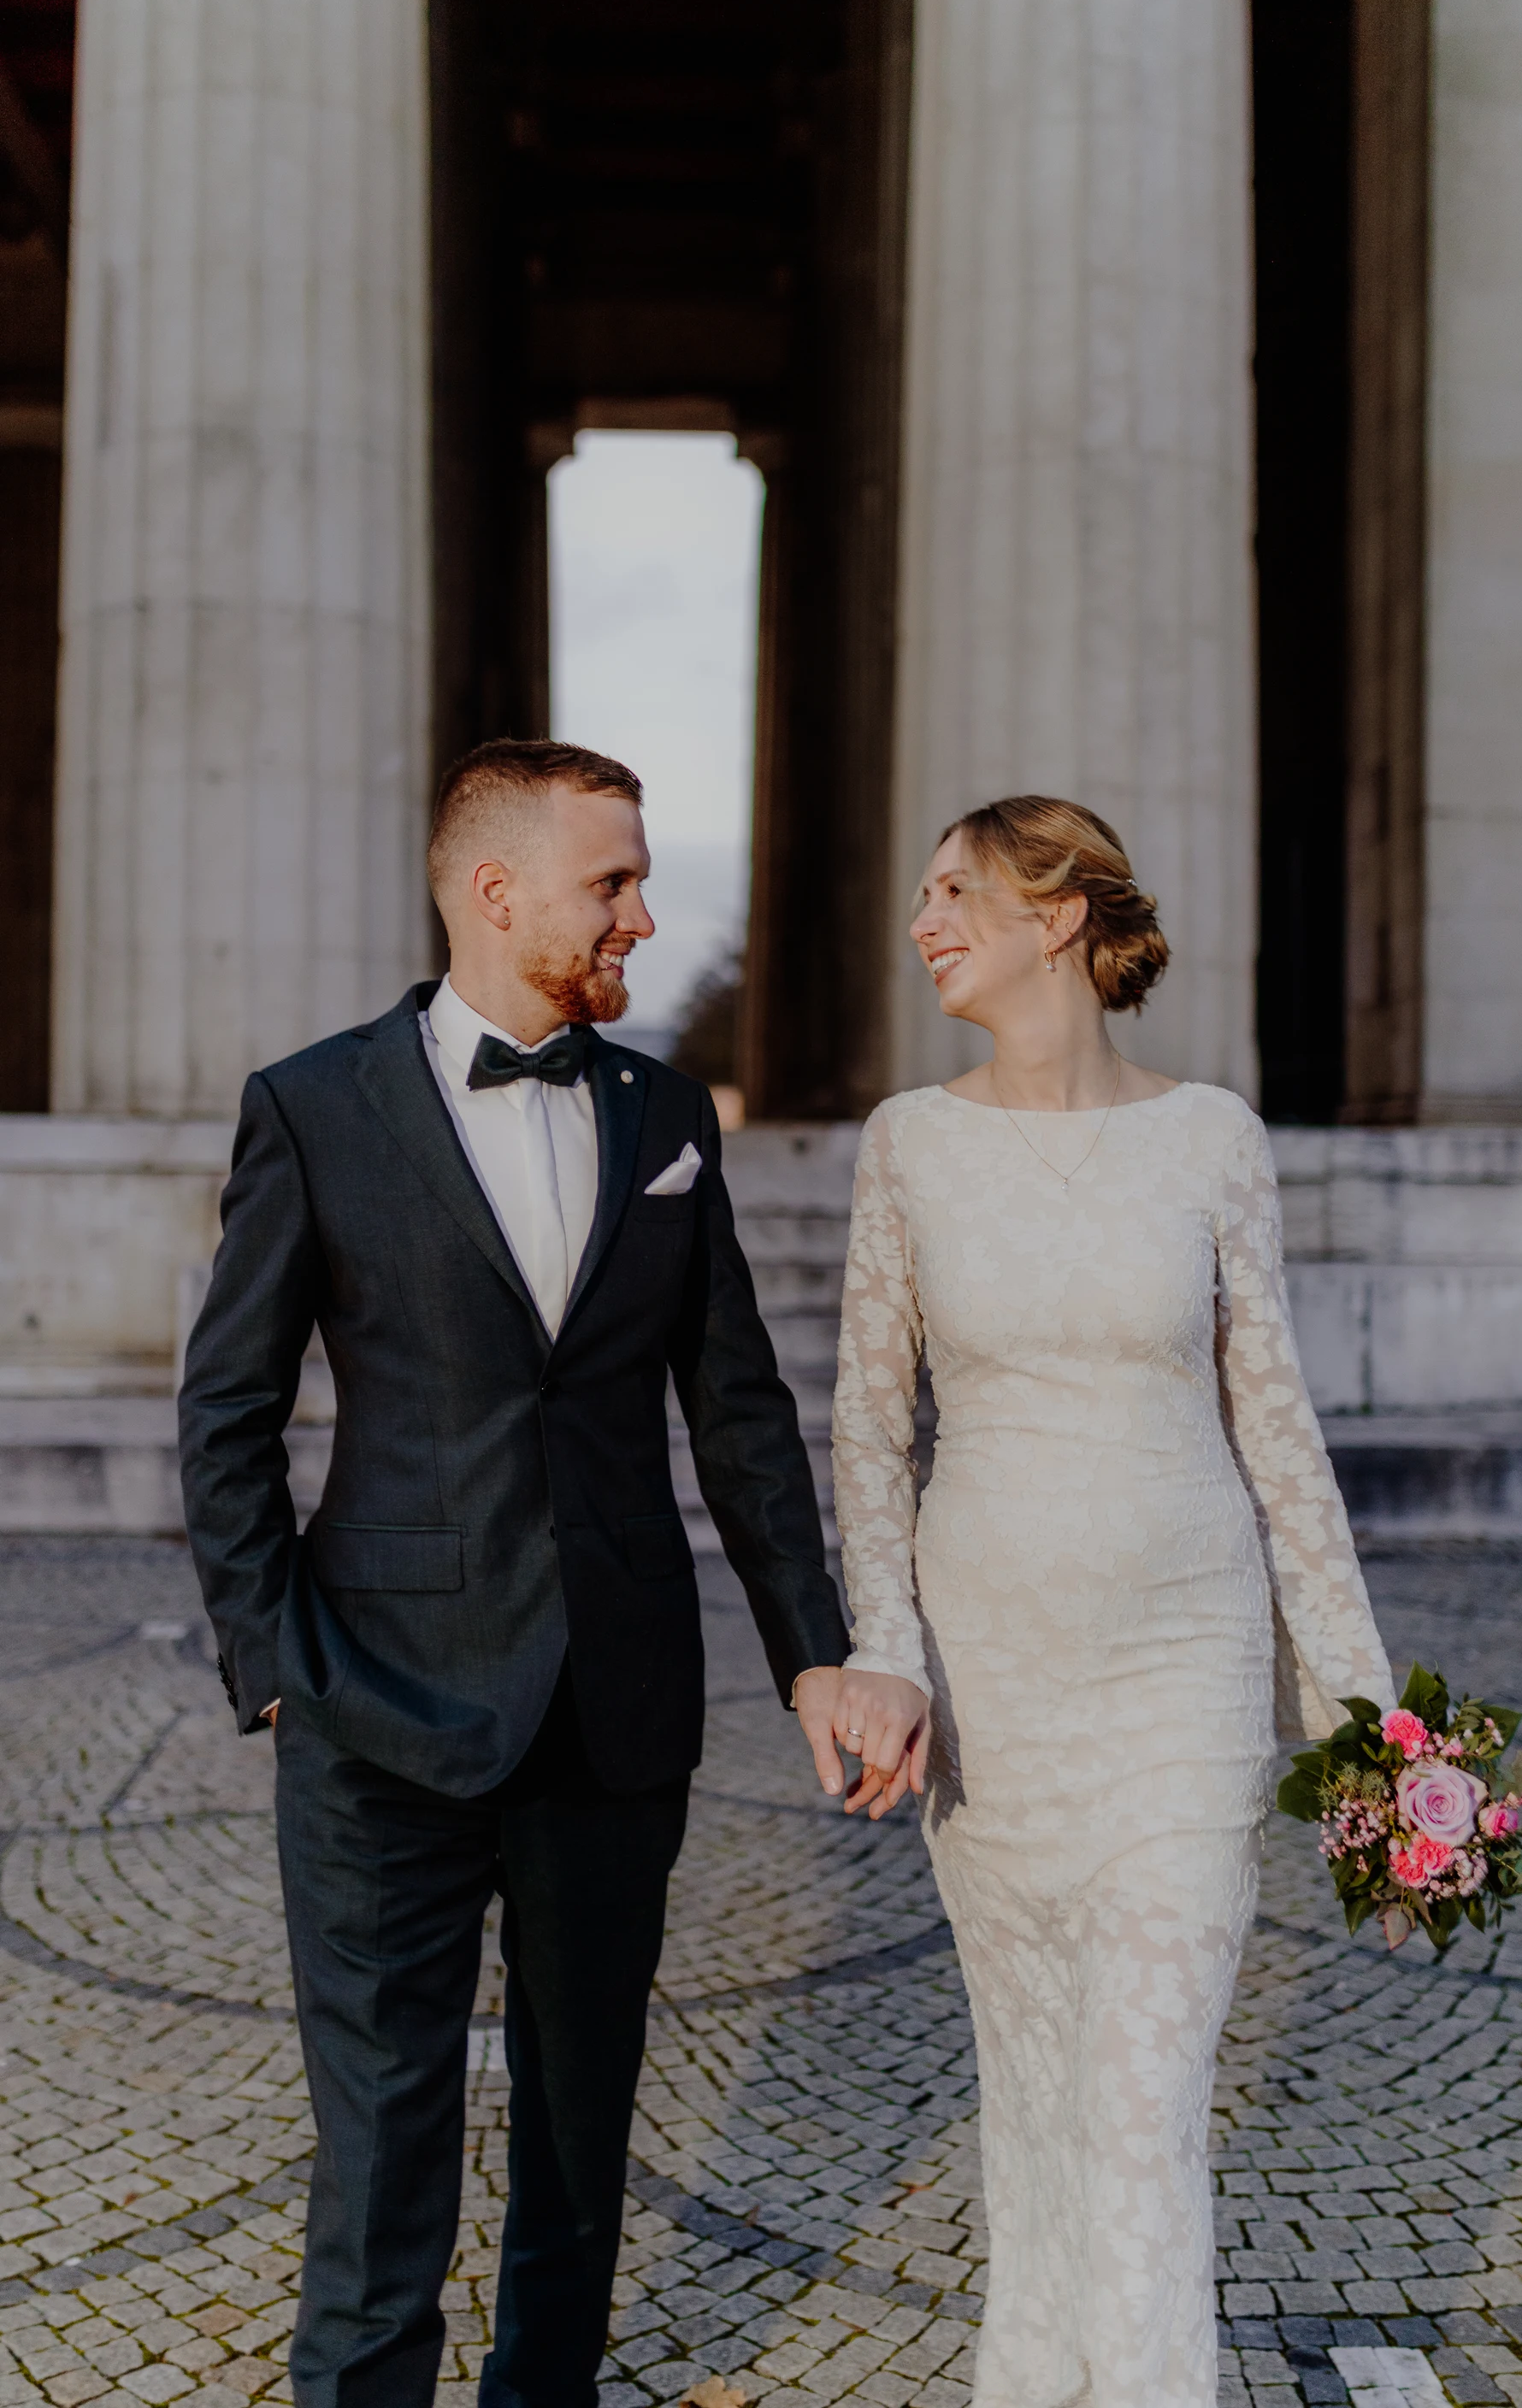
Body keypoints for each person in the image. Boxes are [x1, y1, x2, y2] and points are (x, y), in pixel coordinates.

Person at [179, 738, 851, 2408]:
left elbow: (739, 1412)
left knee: (578, 2136)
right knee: (380, 2156)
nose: (642, 915)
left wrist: (815, 1651)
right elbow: (227, 1410)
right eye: (611, 881)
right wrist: (272, 1660)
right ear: (496, 891)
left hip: (616, 1714)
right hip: (373, 1710)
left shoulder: (667, 1118)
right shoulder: (312, 1106)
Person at [827, 796, 1395, 2408]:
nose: (925, 922)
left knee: (1142, 2110)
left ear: (1059, 914)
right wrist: (887, 1653)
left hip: (1181, 1680)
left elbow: (1276, 1429)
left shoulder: (1213, 1136)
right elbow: (867, 1428)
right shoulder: (908, 1143)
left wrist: (1372, 1724)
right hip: (993, 1700)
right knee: (1037, 2107)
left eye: (956, 890)